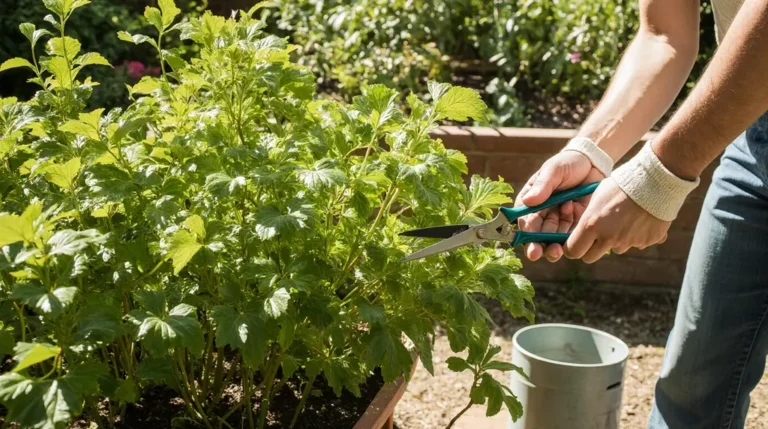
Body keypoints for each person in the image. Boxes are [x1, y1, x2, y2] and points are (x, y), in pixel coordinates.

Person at [514, 0, 768, 427]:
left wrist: (659, 176)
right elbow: (665, 35)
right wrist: (590, 149)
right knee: (693, 386)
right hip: (755, 132)